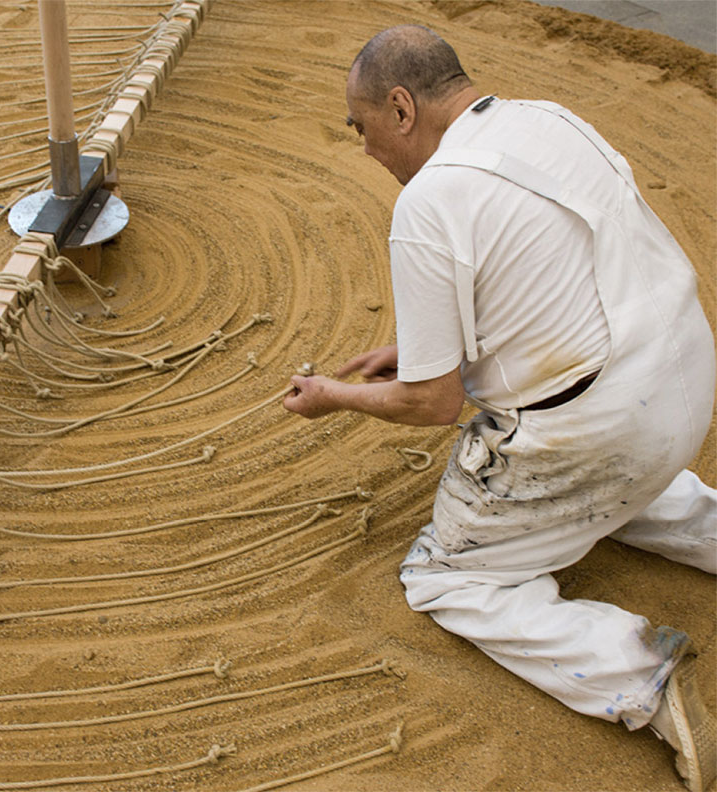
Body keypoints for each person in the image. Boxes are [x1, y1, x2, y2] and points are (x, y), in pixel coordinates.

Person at [283, 24, 716, 792]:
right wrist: (421, 346)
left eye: (362, 126)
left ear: (402, 108)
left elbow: (431, 402)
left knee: (448, 580)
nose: (363, 147)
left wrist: (334, 397)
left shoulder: (427, 204)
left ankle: (642, 676)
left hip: (602, 431)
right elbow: (543, 278)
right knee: (607, 476)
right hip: (684, 380)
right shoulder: (549, 118)